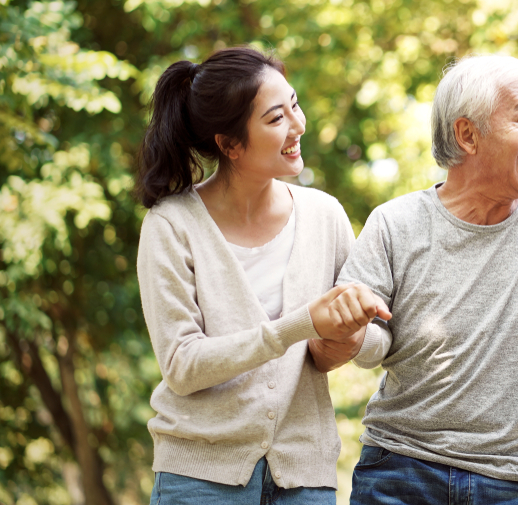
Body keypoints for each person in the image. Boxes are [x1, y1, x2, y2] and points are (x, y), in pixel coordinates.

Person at [330, 55, 518, 505]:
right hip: (400, 469)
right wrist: (353, 332)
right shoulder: (395, 223)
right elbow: (371, 346)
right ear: (467, 134)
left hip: (509, 481)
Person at [134, 47, 389, 504]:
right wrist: (299, 325)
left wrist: (350, 338)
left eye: (294, 104)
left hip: (304, 475)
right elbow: (181, 366)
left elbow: (375, 343)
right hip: (199, 478)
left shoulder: (324, 215)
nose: (298, 125)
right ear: (229, 145)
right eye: (276, 119)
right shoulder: (171, 225)